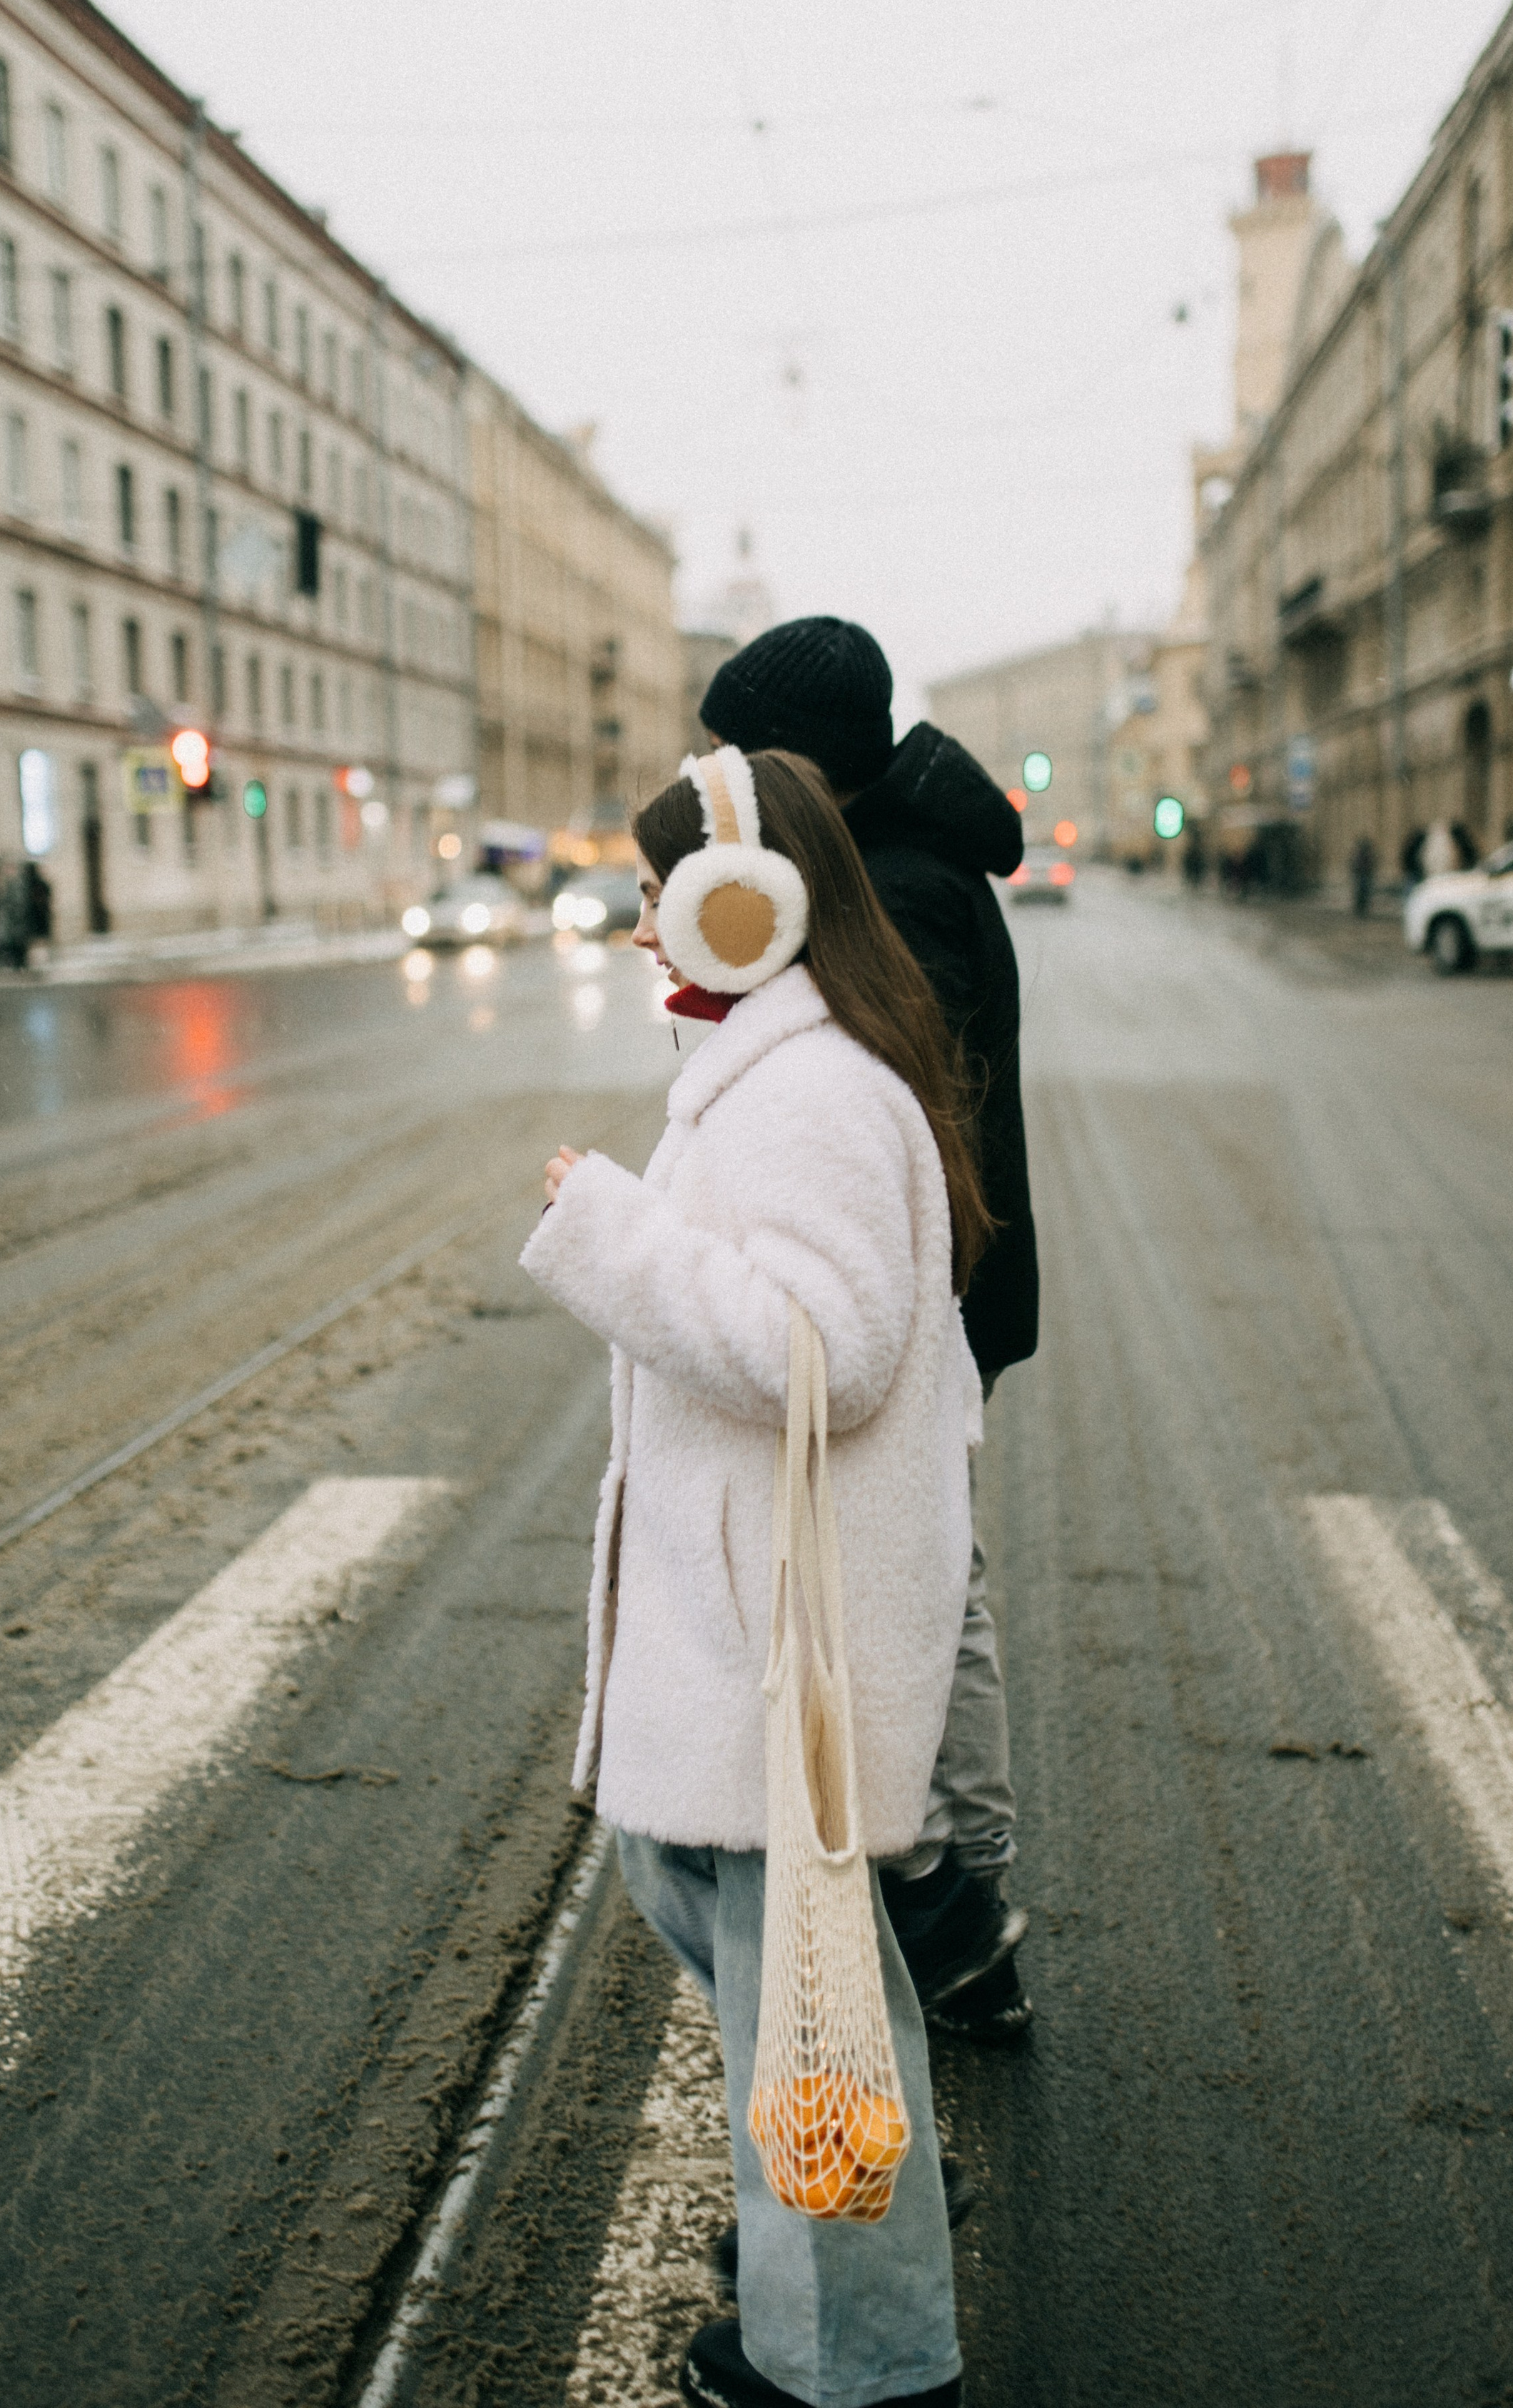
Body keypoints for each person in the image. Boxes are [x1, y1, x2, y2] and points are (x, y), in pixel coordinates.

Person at [523, 745, 976, 2408]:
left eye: (660, 892)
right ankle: (840, 2296)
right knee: (789, 2014)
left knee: (817, 2038)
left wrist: (608, 1232)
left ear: (749, 899)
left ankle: (849, 2360)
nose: (644, 926)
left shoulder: (806, 1094)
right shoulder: (775, 1072)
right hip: (756, 1627)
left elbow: (826, 1350)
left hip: (785, 1642)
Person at [699, 617, 1036, 2045]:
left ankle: (963, 1906)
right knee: (914, 1583)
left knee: (923, 1592)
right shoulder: (890, 867)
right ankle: (959, 1912)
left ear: (804, 764)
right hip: (928, 1282)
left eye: (739, 752)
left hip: (919, 1294)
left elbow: (875, 1106)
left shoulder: (901, 889)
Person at [1349, 833, 1377, 919]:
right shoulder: (1361, 855)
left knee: (1363, 893)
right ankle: (1360, 908)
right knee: (1362, 893)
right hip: (1363, 876)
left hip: (1364, 876)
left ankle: (1361, 908)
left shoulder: (1363, 855)